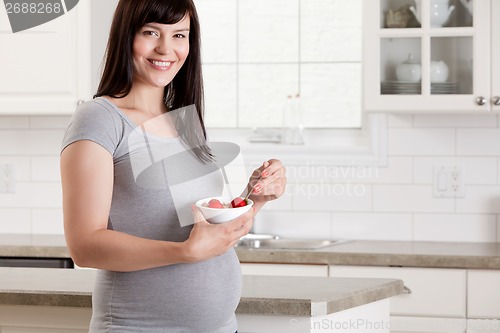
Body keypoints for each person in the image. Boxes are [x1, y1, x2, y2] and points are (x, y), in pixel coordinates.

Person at [59, 0, 287, 332]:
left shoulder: (183, 120)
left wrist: (255, 197)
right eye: (151, 32)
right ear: (126, 35)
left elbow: (209, 233)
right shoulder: (100, 119)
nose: (167, 48)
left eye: (180, 35)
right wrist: (184, 253)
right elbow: (85, 246)